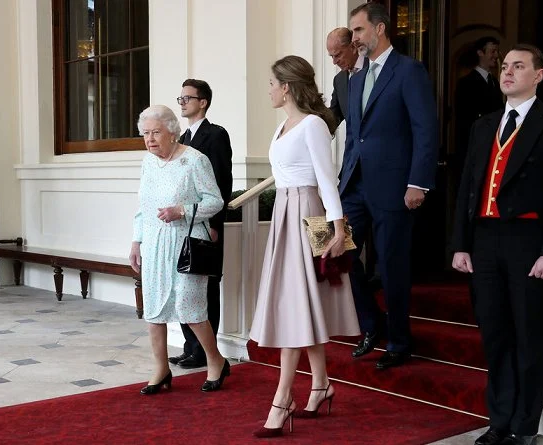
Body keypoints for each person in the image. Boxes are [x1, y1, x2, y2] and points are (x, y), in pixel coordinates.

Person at [451, 44, 543, 445]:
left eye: (518, 66)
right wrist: (461, 243)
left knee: (529, 335)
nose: (507, 72)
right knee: (495, 334)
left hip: (530, 241)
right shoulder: (484, 124)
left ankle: (524, 427)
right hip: (486, 240)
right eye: (504, 66)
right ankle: (500, 420)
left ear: (538, 75)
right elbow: (468, 189)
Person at [249, 55, 360, 438]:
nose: (267, 89)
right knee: (302, 304)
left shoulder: (313, 124)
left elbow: (328, 181)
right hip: (285, 212)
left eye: (270, 82)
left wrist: (337, 231)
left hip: (308, 212)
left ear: (287, 86)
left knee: (295, 305)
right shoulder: (283, 125)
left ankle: (283, 399)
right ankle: (320, 385)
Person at [339, 3, 438, 369]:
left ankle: (399, 340)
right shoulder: (355, 76)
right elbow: (354, 136)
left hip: (396, 187)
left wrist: (418, 183)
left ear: (380, 29)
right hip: (354, 187)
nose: (355, 38)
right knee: (339, 253)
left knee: (393, 264)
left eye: (359, 30)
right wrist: (342, 181)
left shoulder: (409, 71)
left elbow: (425, 131)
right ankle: (371, 324)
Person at [129, 105, 231, 395]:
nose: (149, 139)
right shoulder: (148, 163)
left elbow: (216, 201)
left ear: (172, 132)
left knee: (191, 307)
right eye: (145, 133)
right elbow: (143, 207)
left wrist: (182, 210)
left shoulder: (195, 160)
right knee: (154, 310)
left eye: (155, 132)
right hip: (154, 243)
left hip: (185, 243)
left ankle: (215, 361)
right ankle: (161, 368)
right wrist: (136, 241)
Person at [168, 79, 233, 370]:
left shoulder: (215, 135)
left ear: (203, 102)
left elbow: (222, 182)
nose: (181, 102)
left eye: (187, 98)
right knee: (184, 284)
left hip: (206, 223)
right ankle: (189, 347)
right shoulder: (180, 139)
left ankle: (205, 352)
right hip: (183, 224)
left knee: (205, 286)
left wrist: (215, 223)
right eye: (180, 98)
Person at [455, 36, 504, 171]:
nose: (496, 56)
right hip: (475, 147)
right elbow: (464, 121)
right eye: (492, 52)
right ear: (480, 53)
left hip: (492, 145)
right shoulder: (466, 83)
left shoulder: (494, 81)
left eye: (496, 52)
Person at [326, 27, 365, 127]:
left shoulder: (374, 68)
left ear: (353, 47)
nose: (334, 62)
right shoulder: (339, 80)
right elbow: (334, 116)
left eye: (338, 55)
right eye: (332, 56)